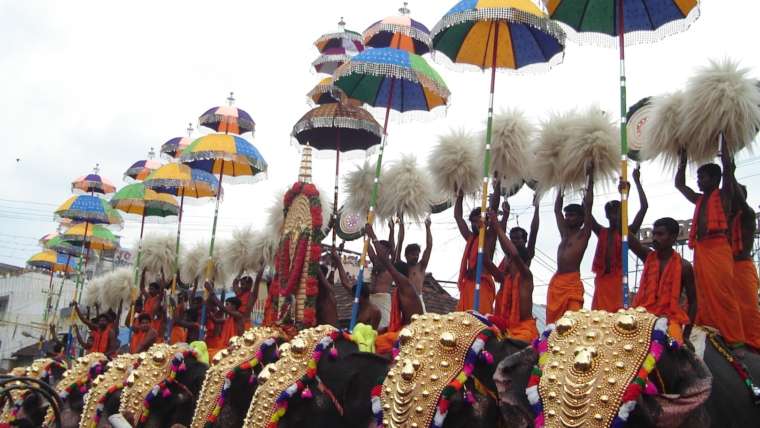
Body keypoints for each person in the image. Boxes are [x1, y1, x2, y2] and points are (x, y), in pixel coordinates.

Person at [675, 146, 746, 345]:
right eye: (698, 177)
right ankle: (706, 328)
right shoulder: (699, 199)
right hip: (701, 249)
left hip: (719, 248)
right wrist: (682, 158)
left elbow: (729, 175)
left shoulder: (725, 195)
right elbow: (679, 184)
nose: (699, 181)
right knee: (702, 292)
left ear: (715, 179)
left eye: (703, 177)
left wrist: (725, 157)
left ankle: (736, 339)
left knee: (723, 293)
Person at [629, 217, 696, 343]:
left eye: (660, 234)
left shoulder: (685, 267)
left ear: (673, 237)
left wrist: (686, 334)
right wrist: (620, 218)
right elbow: (628, 237)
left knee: (675, 349)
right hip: (642, 317)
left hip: (670, 320)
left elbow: (693, 302)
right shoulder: (647, 256)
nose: (655, 238)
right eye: (654, 234)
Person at [590, 166, 648, 312]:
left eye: (616, 213)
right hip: (602, 281)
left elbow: (644, 207)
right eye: (610, 213)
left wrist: (634, 185)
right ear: (607, 215)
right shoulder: (601, 231)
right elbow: (587, 212)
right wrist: (590, 180)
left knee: (618, 317)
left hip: (618, 280)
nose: (613, 216)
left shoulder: (628, 231)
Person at [547, 164, 594, 324]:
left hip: (572, 284)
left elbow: (588, 205)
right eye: (567, 216)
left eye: (572, 216)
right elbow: (556, 209)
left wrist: (590, 178)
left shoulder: (584, 234)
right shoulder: (564, 234)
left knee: (573, 323)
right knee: (554, 327)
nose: (567, 218)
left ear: (581, 218)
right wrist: (561, 182)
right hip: (558, 283)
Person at [487, 212, 538, 343]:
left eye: (510, 259)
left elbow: (514, 254)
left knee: (512, 344)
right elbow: (487, 261)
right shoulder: (507, 279)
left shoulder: (526, 276)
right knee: (482, 325)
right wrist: (488, 230)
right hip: (507, 326)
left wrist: (497, 225)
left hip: (524, 329)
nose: (507, 262)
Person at [454, 190, 496, 314]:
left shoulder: (490, 236)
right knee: (465, 323)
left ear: (486, 221)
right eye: (473, 221)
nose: (475, 224)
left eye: (478, 220)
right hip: (469, 285)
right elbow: (458, 217)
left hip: (483, 285)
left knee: (481, 323)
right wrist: (460, 195)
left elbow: (494, 208)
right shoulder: (470, 238)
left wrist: (496, 189)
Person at [730, 184, 760, 350]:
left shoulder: (747, 216)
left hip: (742, 269)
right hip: (724, 270)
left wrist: (729, 171)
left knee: (748, 312)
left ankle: (754, 345)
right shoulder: (723, 219)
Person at [333, 244, 381, 330]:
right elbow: (345, 282)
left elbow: (372, 334)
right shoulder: (359, 300)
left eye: (355, 296)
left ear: (362, 297)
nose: (353, 298)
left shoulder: (374, 311)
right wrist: (338, 261)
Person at [400, 216, 432, 311]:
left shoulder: (421, 267)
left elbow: (429, 246)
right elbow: (399, 240)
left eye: (417, 255)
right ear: (406, 255)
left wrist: (428, 228)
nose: (416, 257)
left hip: (418, 300)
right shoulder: (401, 268)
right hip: (404, 301)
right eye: (413, 254)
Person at [204, 281, 245, 354]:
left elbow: (223, 308)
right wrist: (208, 312)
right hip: (225, 348)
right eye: (225, 304)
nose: (225, 306)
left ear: (234, 306)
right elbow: (216, 320)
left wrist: (211, 291)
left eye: (227, 304)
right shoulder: (228, 319)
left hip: (235, 349)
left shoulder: (238, 316)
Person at [139, 268, 166, 343]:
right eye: (150, 289)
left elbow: (162, 288)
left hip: (152, 323)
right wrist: (143, 273)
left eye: (152, 289)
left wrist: (163, 274)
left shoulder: (158, 298)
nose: (150, 290)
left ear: (157, 291)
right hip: (144, 322)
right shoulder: (148, 297)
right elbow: (142, 288)